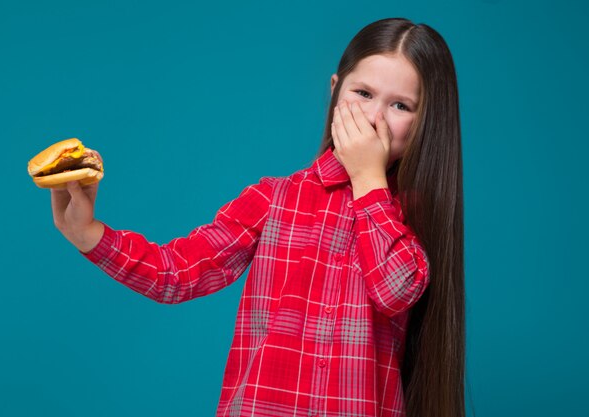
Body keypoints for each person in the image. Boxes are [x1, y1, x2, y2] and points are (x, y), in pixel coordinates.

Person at [50, 17, 466, 417]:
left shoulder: (407, 222)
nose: (374, 118)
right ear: (335, 90)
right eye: (362, 93)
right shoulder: (275, 198)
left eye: (400, 105)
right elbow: (177, 273)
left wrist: (368, 179)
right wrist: (88, 233)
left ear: (423, 121)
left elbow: (396, 290)